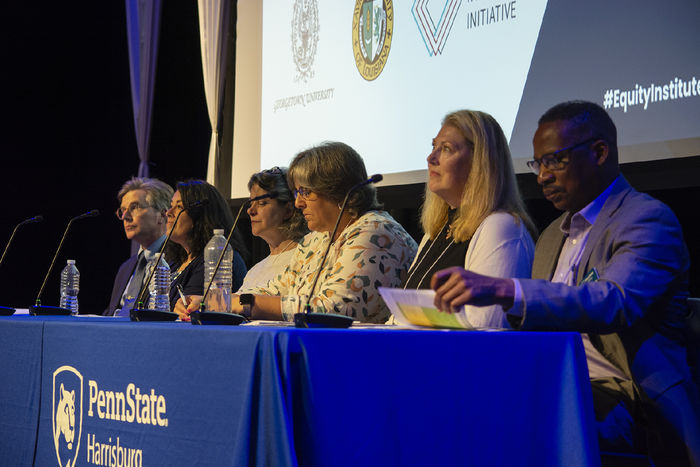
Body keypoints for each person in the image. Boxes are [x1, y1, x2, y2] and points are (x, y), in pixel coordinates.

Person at [431, 101, 700, 464]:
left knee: (502, 416)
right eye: (538, 163)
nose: (542, 175)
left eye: (554, 160)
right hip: (558, 382)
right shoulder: (551, 238)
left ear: (599, 152)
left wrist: (505, 289)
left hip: (629, 397)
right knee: (450, 397)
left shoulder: (647, 220)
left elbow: (614, 302)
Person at [201, 142, 417, 323]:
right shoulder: (316, 239)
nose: (298, 203)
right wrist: (215, 300)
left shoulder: (374, 233)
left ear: (336, 190)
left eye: (305, 192)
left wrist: (239, 304)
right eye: (296, 193)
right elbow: (278, 288)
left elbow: (332, 309)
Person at [396, 109, 536, 328]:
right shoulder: (437, 230)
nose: (431, 158)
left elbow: (486, 327)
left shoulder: (500, 227)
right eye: (433, 147)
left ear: (479, 160)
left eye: (446, 149)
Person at [167, 179, 247, 317]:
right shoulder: (176, 261)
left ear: (200, 215)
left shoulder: (216, 258)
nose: (169, 212)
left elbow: (187, 312)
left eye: (179, 207)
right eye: (171, 206)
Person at [104, 177, 173, 316]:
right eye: (122, 210)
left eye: (134, 207)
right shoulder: (125, 268)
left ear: (162, 214)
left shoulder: (177, 261)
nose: (125, 216)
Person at [237, 167, 308, 291]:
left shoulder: (306, 258)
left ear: (288, 210)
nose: (250, 211)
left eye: (262, 203)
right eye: (250, 203)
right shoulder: (254, 271)